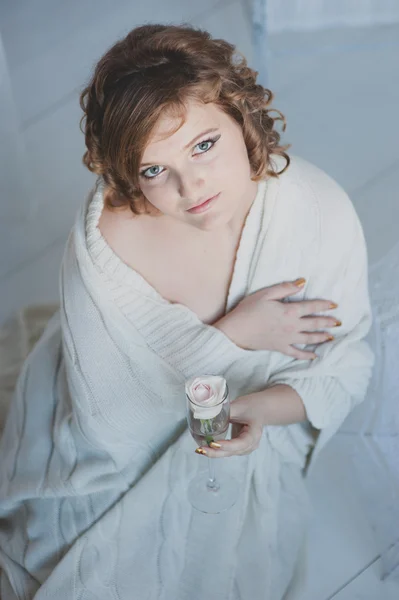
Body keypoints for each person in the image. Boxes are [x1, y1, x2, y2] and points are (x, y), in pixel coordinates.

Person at [0, 23, 374, 600]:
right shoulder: (110, 238)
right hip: (120, 451)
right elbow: (111, 421)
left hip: (243, 430)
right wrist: (233, 338)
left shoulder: (315, 213)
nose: (190, 184)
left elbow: (342, 366)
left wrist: (255, 409)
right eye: (154, 170)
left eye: (204, 144)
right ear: (128, 172)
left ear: (241, 117)